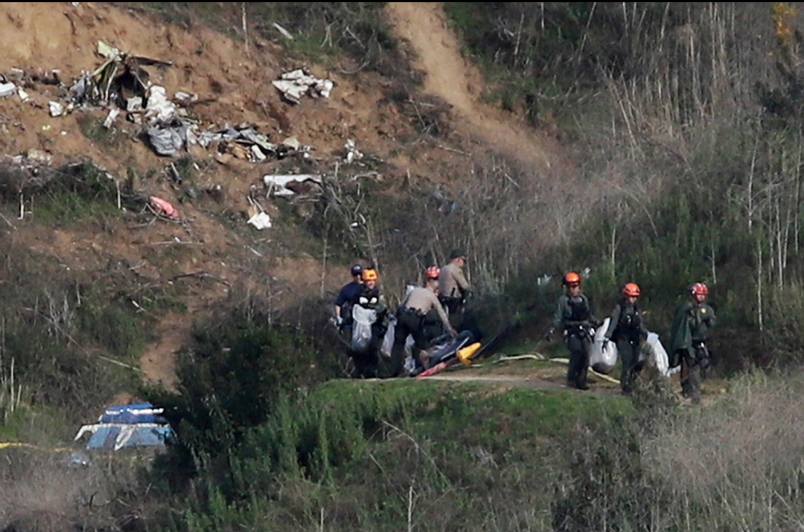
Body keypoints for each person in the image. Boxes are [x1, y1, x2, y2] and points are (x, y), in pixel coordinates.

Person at [389, 267, 457, 377]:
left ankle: (393, 372)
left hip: (403, 316)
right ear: (434, 283)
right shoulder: (432, 296)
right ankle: (420, 369)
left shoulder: (415, 290)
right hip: (415, 318)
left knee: (398, 345)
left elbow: (401, 305)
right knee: (421, 345)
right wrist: (450, 329)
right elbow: (442, 314)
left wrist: (394, 319)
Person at [545, 272, 601, 390]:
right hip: (571, 330)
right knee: (576, 351)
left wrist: (596, 322)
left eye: (575, 286)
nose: (573, 289)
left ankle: (582, 380)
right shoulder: (563, 301)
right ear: (566, 287)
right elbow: (558, 317)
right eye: (570, 286)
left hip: (584, 329)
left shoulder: (583, 299)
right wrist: (552, 330)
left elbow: (588, 314)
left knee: (586, 353)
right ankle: (571, 378)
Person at [669, 282, 716, 404]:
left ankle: (692, 389)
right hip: (688, 343)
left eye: (703, 295)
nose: (701, 297)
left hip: (702, 342)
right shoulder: (686, 308)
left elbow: (712, 323)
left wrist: (707, 320)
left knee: (705, 365)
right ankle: (693, 393)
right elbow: (682, 325)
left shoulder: (707, 309)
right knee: (692, 367)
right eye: (699, 294)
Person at [602, 282, 648, 395]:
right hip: (622, 338)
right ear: (626, 296)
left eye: (635, 297)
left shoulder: (637, 308)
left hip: (635, 338)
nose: (633, 299)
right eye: (631, 296)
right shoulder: (619, 307)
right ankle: (625, 386)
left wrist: (644, 333)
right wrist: (607, 336)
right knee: (627, 361)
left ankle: (634, 384)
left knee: (636, 361)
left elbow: (640, 322)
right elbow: (614, 322)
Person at [349, 268, 389, 378]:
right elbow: (353, 307)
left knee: (374, 347)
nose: (371, 283)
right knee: (360, 348)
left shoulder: (378, 293)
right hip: (362, 325)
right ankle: (361, 371)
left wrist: (373, 309)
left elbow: (382, 307)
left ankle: (372, 371)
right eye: (368, 281)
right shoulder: (359, 292)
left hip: (376, 324)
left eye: (372, 281)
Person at [438, 249, 471, 332]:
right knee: (457, 320)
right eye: (463, 260)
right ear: (458, 259)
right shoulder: (455, 269)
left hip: (443, 298)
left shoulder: (443, 269)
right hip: (454, 299)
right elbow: (464, 285)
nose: (464, 263)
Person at [333, 264, 364, 335]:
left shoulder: (368, 287)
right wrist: (338, 316)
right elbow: (338, 303)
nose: (358, 276)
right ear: (353, 275)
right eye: (356, 274)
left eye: (360, 274)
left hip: (367, 319)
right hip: (352, 319)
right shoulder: (347, 289)